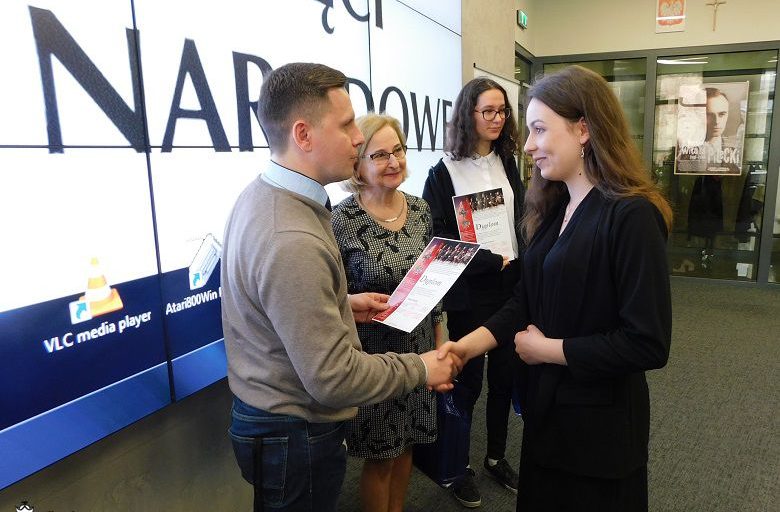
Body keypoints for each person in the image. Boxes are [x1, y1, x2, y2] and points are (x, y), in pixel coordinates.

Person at [220, 62, 460, 512]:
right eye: (347, 124)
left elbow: (277, 304)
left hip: (279, 421)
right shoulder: (292, 235)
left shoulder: (270, 198)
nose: (356, 138)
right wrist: (421, 368)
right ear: (303, 135)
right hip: (296, 428)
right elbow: (332, 377)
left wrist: (341, 304)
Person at [437, 65, 673, 512]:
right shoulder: (556, 207)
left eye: (540, 129)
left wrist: (548, 350)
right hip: (548, 414)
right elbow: (525, 301)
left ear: (583, 129)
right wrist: (466, 348)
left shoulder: (632, 216)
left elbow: (647, 342)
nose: (527, 145)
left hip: (598, 433)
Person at [331, 113, 444, 512]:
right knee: (381, 455)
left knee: (408, 443)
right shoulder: (341, 220)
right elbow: (330, 296)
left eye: (398, 150)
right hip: (373, 356)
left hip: (419, 347)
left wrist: (440, 343)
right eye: (380, 155)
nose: (394, 161)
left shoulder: (420, 210)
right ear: (357, 164)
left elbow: (432, 283)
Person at [422, 77, 525, 507]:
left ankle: (496, 456)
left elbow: (519, 218)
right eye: (488, 112)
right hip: (471, 289)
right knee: (468, 382)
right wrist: (487, 261)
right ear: (469, 115)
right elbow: (438, 238)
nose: (498, 119)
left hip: (510, 284)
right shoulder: (443, 172)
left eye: (503, 111)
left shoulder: (507, 161)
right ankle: (458, 467)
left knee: (505, 377)